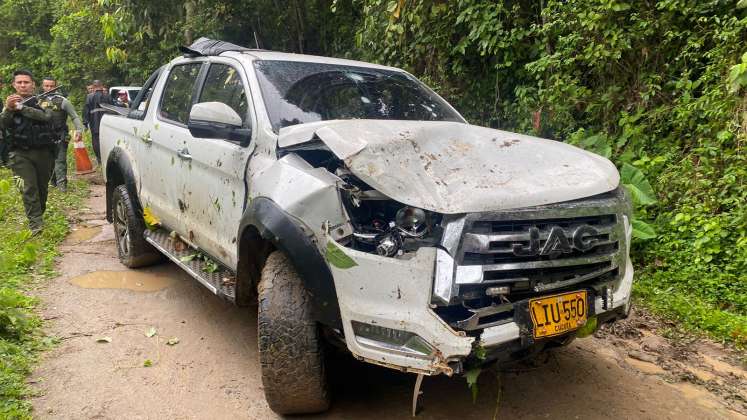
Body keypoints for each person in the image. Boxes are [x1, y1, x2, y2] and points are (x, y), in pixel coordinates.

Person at [0, 70, 55, 234]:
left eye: (26, 82)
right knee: (28, 188)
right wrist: (9, 109)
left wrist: (22, 108)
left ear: (33, 84)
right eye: (19, 82)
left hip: (43, 152)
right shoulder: (9, 103)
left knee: (42, 188)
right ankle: (36, 225)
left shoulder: (43, 100)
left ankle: (38, 215)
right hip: (19, 154)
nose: (23, 85)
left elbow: (47, 117)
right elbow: (2, 124)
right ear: (14, 85)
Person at [40, 77, 84, 192]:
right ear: (42, 86)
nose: (49, 88)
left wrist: (79, 130)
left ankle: (62, 186)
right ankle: (53, 182)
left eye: (51, 86)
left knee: (60, 160)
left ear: (56, 86)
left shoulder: (63, 101)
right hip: (43, 136)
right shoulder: (37, 101)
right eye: (46, 86)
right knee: (47, 161)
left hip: (60, 134)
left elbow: (74, 116)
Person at [82, 80, 111, 164]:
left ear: (94, 87)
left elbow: (86, 110)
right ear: (101, 86)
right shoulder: (107, 96)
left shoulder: (89, 97)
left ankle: (99, 159)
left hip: (94, 123)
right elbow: (114, 109)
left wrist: (85, 123)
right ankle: (107, 157)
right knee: (107, 140)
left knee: (96, 141)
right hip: (107, 123)